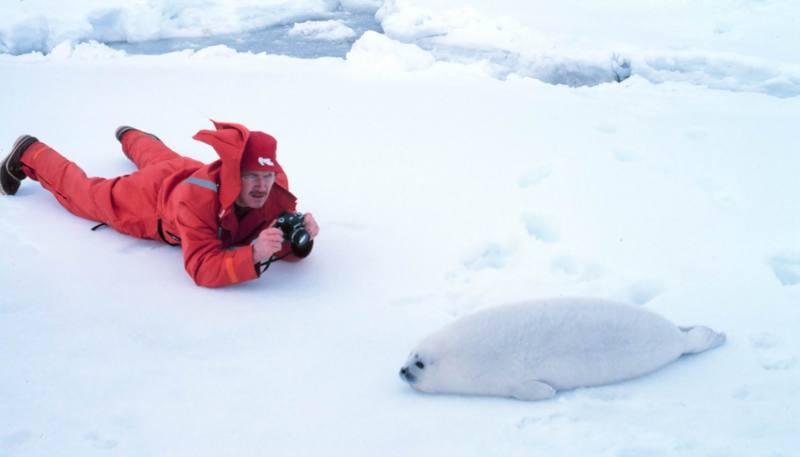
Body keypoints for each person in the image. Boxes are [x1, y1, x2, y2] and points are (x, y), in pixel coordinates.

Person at [0, 120, 319, 288]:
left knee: (162, 159)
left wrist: (297, 239)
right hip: (154, 197)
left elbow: (276, 235)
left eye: (266, 175)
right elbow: (202, 267)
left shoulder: (274, 190)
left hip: (189, 171)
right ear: (235, 173)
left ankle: (132, 136)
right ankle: (30, 152)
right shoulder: (197, 204)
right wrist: (252, 255)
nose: (262, 187)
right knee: (86, 195)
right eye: (252, 177)